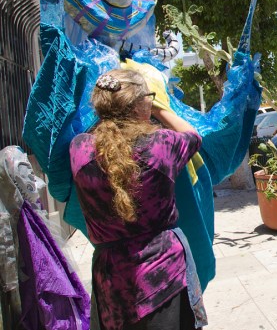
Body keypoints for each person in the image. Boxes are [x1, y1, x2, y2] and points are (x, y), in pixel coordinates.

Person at [69, 69, 208, 330]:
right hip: (163, 276)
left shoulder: (79, 149)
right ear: (140, 103)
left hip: (112, 285)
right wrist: (159, 109)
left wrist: (107, 113)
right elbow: (194, 136)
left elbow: (104, 135)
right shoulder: (161, 144)